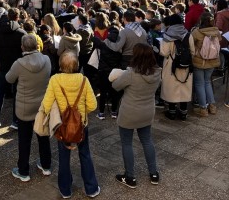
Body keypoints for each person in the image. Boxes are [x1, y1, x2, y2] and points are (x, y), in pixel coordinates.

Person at [42, 52, 100, 198]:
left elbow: (46, 105)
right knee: (85, 154)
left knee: (63, 157)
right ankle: (91, 189)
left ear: (60, 65)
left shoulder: (55, 79)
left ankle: (65, 190)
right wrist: (80, 113)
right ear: (77, 65)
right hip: (81, 125)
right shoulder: (84, 80)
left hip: (62, 125)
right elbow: (93, 105)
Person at [110, 43, 161, 188]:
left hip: (129, 113)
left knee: (127, 143)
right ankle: (154, 173)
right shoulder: (157, 72)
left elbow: (115, 86)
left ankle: (130, 176)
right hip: (147, 112)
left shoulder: (131, 74)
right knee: (147, 141)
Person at [6, 35, 52, 182]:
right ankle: (46, 166)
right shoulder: (46, 60)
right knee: (43, 137)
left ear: (22, 47)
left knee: (24, 140)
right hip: (42, 105)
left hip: (24, 107)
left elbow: (8, 78)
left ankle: (23, 171)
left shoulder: (19, 63)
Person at [0, 7, 27, 130]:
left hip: (3, 67)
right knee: (16, 94)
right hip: (17, 68)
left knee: (0, 93)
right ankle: (15, 121)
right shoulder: (21, 33)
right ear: (17, 17)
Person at [160, 14, 194, 120]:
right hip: (186, 64)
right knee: (184, 87)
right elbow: (193, 51)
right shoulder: (188, 34)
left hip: (171, 64)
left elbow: (164, 52)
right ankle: (183, 112)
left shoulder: (167, 35)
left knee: (171, 88)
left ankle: (172, 112)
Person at [191, 12, 221, 117]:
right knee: (207, 82)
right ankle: (212, 106)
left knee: (199, 84)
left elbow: (191, 43)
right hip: (212, 61)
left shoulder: (196, 32)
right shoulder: (216, 31)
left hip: (199, 61)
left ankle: (203, 108)